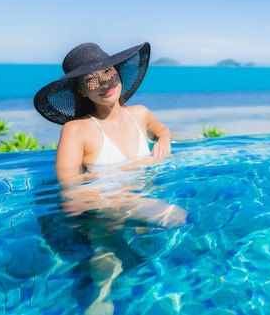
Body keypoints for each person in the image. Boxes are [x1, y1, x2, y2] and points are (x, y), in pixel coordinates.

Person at [34, 41, 186, 314]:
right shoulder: (76, 130)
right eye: (90, 79)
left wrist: (164, 140)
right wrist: (117, 200)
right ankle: (99, 300)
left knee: (170, 222)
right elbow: (69, 190)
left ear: (117, 72)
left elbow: (162, 130)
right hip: (101, 202)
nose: (104, 82)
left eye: (107, 72)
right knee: (171, 218)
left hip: (138, 198)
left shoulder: (140, 114)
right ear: (80, 90)